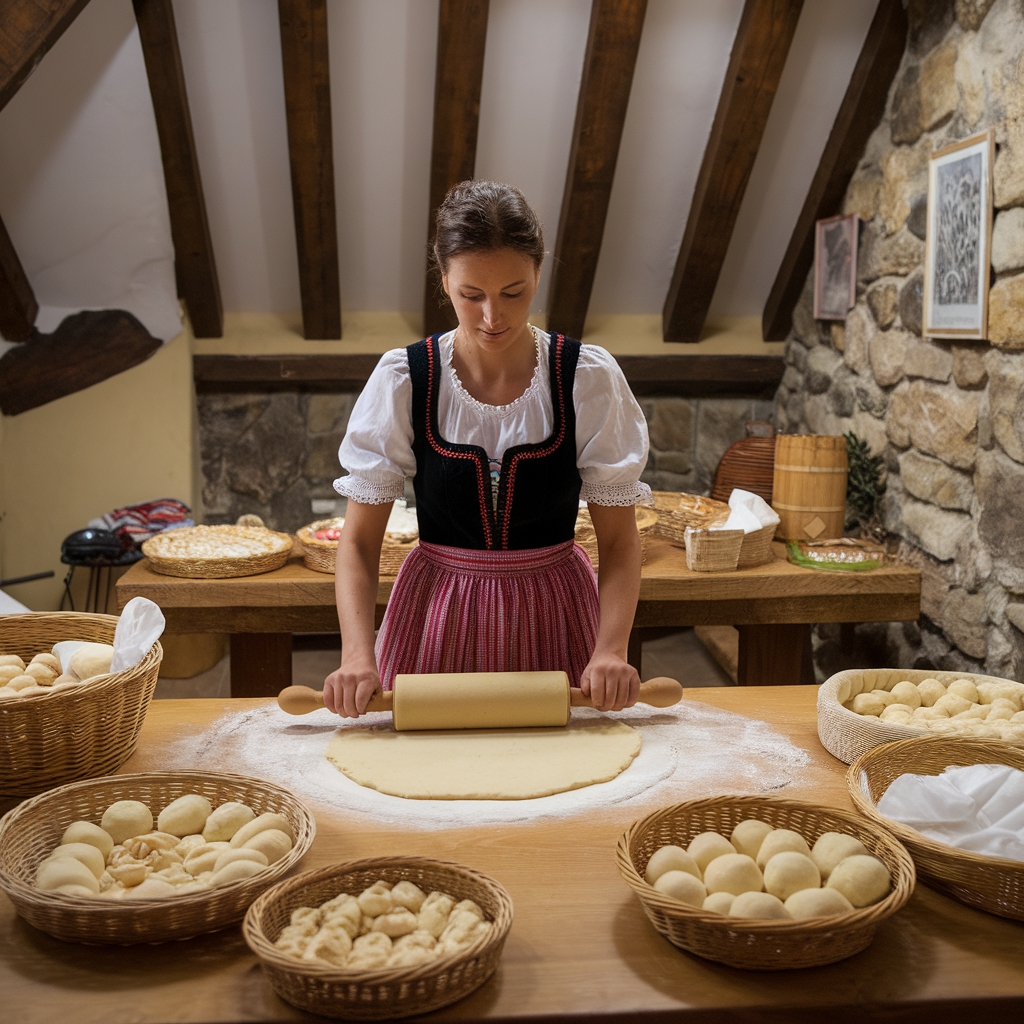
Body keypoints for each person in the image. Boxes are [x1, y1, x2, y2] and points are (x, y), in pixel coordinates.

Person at [324, 180, 652, 718]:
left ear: (540, 272)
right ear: (444, 277)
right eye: (470, 295)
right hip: (437, 615)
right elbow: (358, 544)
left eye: (513, 292)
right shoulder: (406, 377)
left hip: (557, 613)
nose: (492, 317)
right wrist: (357, 655)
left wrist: (610, 650)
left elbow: (619, 544)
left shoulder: (585, 377)